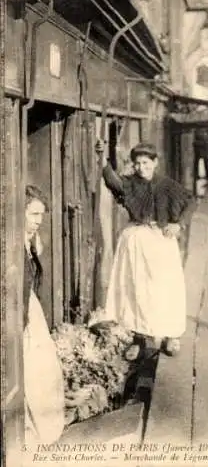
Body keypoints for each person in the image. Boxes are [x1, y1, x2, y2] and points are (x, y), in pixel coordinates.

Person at [96, 141, 196, 356]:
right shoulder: (130, 184)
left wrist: (178, 224)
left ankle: (172, 335)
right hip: (137, 240)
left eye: (146, 162)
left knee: (165, 288)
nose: (142, 167)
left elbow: (191, 201)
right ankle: (139, 337)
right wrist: (103, 161)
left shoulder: (166, 185)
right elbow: (113, 182)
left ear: (155, 163)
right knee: (137, 289)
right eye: (138, 163)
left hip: (161, 240)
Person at [23, 185, 65, 445]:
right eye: (33, 214)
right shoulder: (11, 241)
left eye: (41, 215)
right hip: (21, 308)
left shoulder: (32, 240)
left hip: (31, 306)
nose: (38, 221)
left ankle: (43, 427)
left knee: (44, 368)